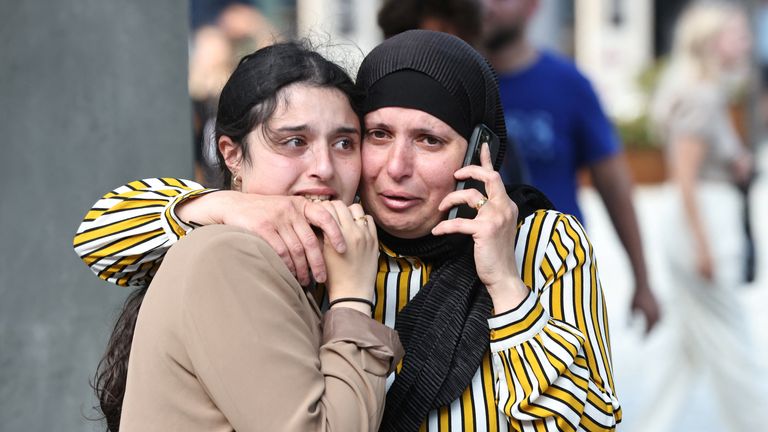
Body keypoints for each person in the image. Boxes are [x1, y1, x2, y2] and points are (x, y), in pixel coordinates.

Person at [76, 31, 621, 430]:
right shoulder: (321, 233)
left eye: (429, 141)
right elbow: (99, 239)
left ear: (481, 149)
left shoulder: (542, 243)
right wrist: (226, 206)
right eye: (378, 135)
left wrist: (506, 288)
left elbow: (592, 421)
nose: (396, 167)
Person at [81, 42, 403, 431]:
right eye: (294, 142)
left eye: (344, 143)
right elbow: (95, 237)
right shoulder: (228, 253)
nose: (324, 167)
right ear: (232, 155)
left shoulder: (335, 254)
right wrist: (352, 299)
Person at [480, 0, 660, 333]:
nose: (487, 5)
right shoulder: (458, 82)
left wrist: (642, 279)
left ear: (532, 7)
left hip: (558, 274)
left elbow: (614, 185)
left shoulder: (568, 83)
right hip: (475, 278)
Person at [639, 2, 767, 430]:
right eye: (737, 34)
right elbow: (685, 179)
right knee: (732, 339)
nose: (746, 42)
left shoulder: (706, 91)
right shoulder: (702, 95)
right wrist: (704, 245)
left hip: (704, 222)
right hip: (704, 225)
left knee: (686, 343)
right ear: (711, 40)